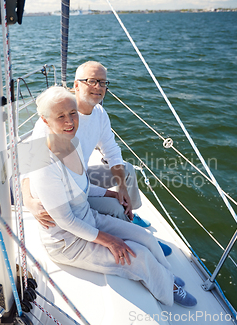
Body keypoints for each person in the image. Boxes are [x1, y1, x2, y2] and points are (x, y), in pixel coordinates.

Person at [25, 86, 197, 308]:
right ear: (46, 121)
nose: (70, 121)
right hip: (68, 242)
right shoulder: (45, 166)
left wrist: (110, 192)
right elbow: (65, 221)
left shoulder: (71, 144)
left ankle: (167, 276)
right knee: (140, 256)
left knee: (145, 237)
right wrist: (108, 240)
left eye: (73, 113)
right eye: (61, 116)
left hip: (88, 218)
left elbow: (83, 187)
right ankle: (168, 290)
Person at [22, 61, 171, 252]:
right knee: (114, 207)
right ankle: (130, 227)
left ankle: (131, 212)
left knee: (127, 170)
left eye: (102, 82)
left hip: (82, 176)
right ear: (76, 85)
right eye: (92, 81)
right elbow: (29, 163)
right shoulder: (55, 119)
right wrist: (28, 200)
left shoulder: (99, 113)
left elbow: (111, 149)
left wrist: (122, 188)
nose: (98, 87)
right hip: (62, 185)